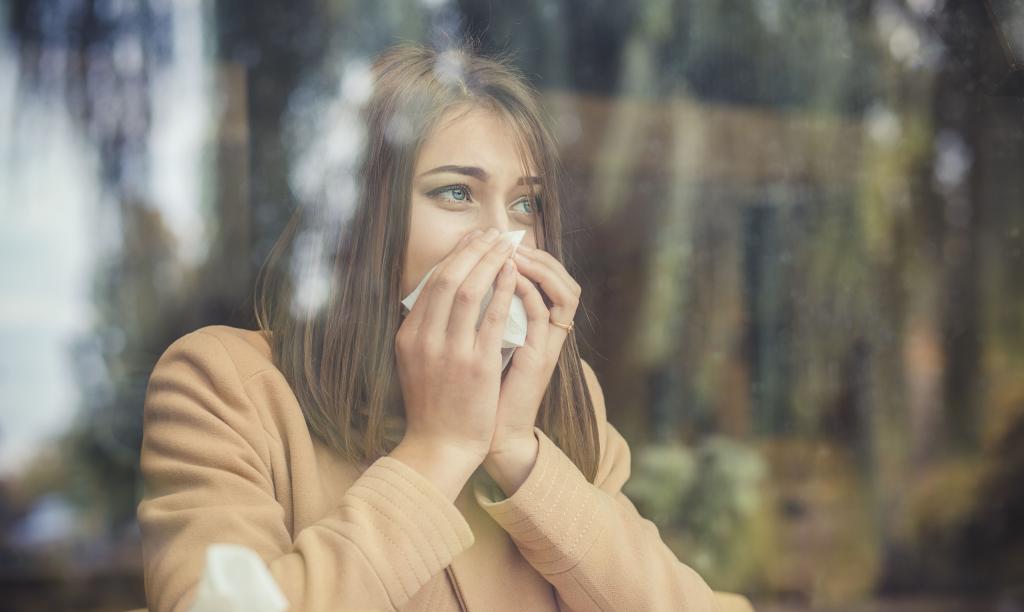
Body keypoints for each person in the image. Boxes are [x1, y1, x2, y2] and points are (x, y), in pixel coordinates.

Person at [136, 42, 755, 612]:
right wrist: (440, 449)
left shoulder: (563, 405)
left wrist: (519, 453)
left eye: (525, 204)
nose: (501, 239)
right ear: (359, 224)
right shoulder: (224, 385)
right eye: (456, 193)